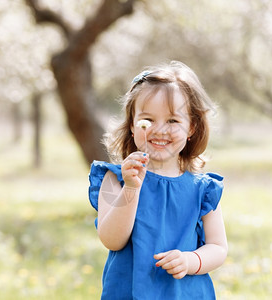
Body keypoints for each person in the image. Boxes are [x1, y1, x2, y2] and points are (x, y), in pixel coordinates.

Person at [88, 61, 228, 299]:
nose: (159, 130)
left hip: (185, 293)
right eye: (147, 120)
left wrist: (191, 260)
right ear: (132, 125)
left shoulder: (202, 189)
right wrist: (131, 188)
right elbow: (112, 240)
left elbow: (218, 247)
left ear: (191, 127)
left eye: (173, 121)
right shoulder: (115, 179)